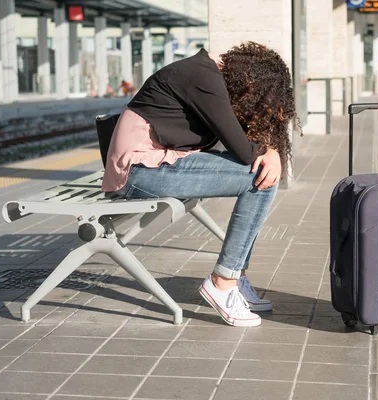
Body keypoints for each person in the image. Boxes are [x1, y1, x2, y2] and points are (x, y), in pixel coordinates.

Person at [101, 42, 296, 327]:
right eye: (258, 91)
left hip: (154, 164)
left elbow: (240, 144)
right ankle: (224, 281)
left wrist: (266, 151)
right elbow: (242, 149)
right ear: (250, 78)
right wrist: (272, 154)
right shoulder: (202, 77)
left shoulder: (205, 74)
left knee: (261, 173)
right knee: (259, 177)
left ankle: (236, 276)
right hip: (138, 171)